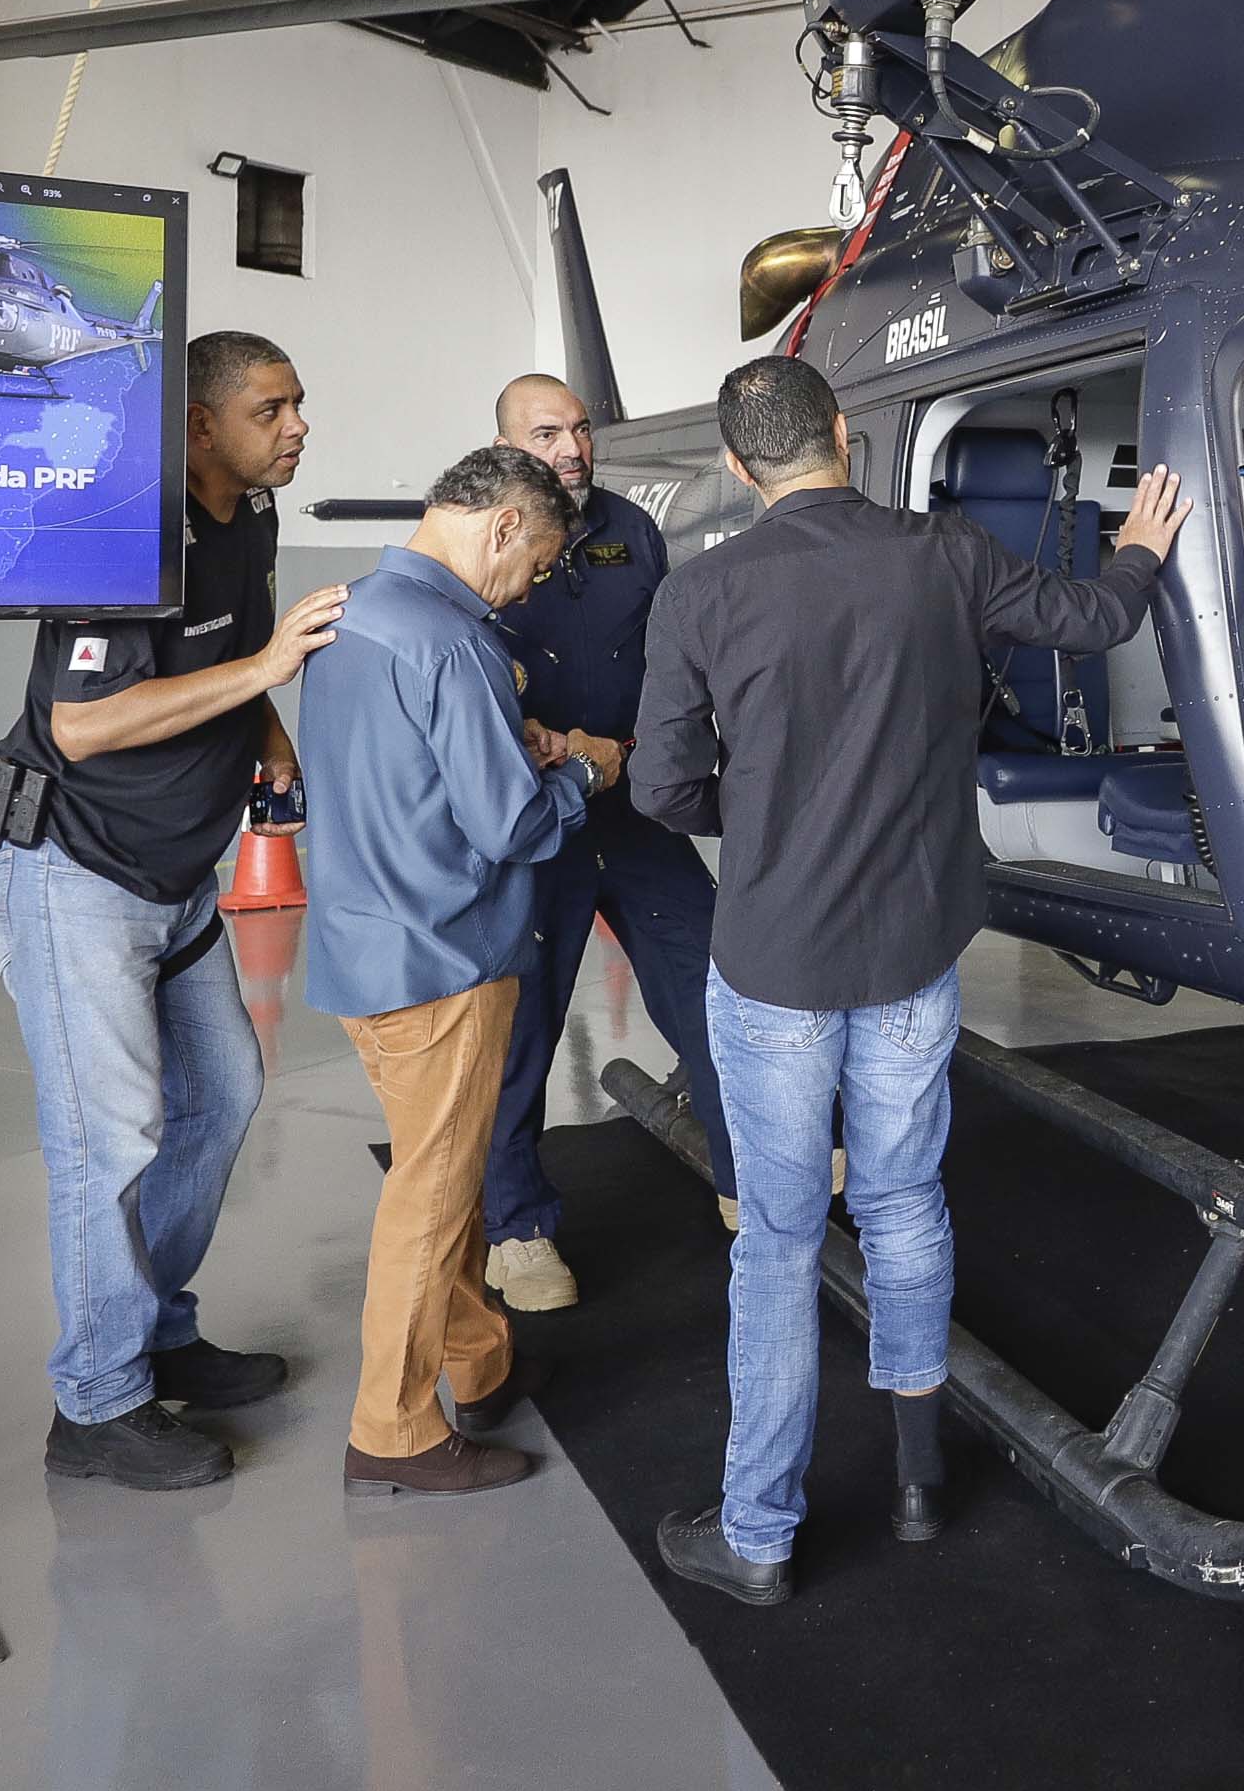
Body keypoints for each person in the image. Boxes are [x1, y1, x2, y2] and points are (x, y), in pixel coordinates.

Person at [630, 357, 1190, 1604]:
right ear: (840, 433)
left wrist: (760, 814)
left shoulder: (700, 591)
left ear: (736, 466)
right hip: (913, 950)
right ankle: (920, 1481)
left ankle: (758, 1534)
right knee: (902, 1202)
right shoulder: (946, 552)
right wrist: (1140, 549)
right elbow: (1097, 621)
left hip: (774, 962)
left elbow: (660, 788)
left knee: (779, 1242)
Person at [0, 332, 343, 1492]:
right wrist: (269, 672)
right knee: (108, 1140)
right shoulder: (118, 534)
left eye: (297, 402)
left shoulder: (253, 514)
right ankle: (97, 1397)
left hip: (175, 880)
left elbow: (236, 648)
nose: (297, 425)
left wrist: (270, 739)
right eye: (271, 408)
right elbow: (81, 724)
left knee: (220, 1094)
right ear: (198, 426)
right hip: (72, 872)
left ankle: (153, 1329)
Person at [296, 444, 596, 1495]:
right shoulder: (456, 642)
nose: (529, 588)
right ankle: (394, 1428)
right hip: (444, 957)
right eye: (536, 563)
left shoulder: (352, 611)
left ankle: (477, 1358)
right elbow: (512, 825)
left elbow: (398, 771)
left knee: (446, 1172)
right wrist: (587, 771)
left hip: (362, 944)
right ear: (503, 525)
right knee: (429, 1197)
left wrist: (505, 745)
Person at [474, 374, 735, 1306]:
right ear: (505, 448)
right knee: (522, 1027)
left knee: (712, 981)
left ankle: (748, 1174)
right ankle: (517, 1230)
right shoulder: (485, 534)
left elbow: (670, 658)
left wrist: (656, 760)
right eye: (547, 434)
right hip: (534, 817)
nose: (573, 449)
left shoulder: (631, 527)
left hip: (632, 806)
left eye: (581, 430)